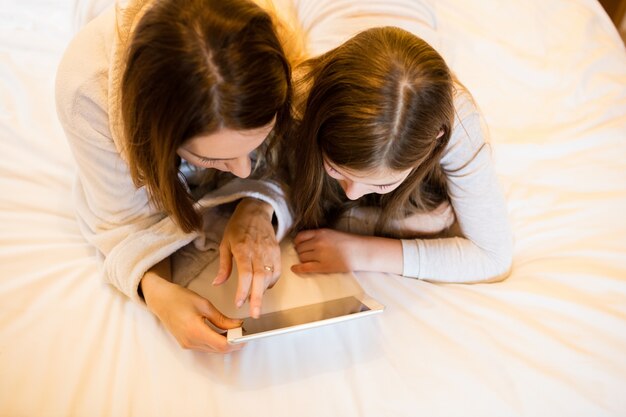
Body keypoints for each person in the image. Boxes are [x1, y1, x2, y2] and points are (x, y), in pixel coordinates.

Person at [55, 0, 300, 353]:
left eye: (253, 146)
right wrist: (158, 293)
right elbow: (121, 219)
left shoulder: (262, 44)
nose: (245, 170)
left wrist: (257, 206)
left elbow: (292, 155)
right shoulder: (85, 93)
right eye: (212, 157)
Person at [287, 26, 513, 282]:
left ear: (434, 142)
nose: (352, 193)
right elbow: (270, 179)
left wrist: (360, 252)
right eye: (335, 168)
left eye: (383, 184)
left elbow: (493, 258)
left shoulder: (458, 123)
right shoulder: (300, 98)